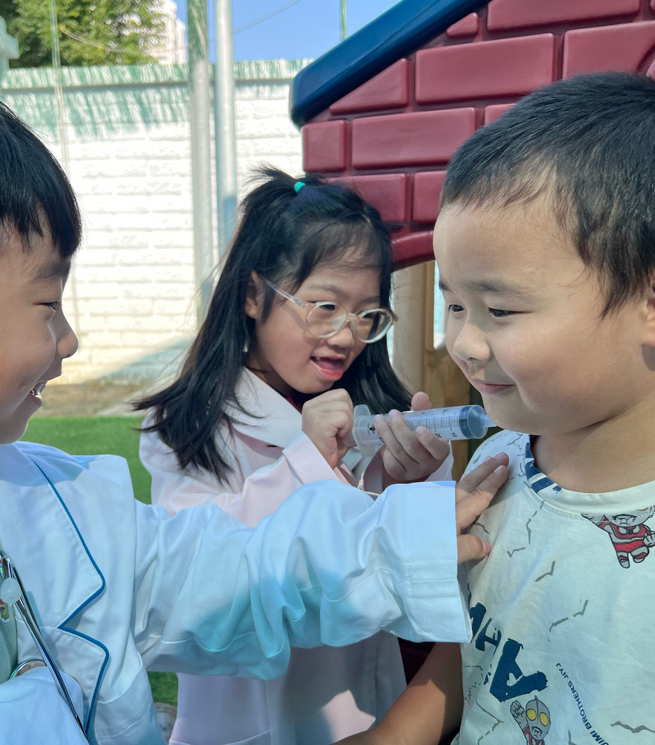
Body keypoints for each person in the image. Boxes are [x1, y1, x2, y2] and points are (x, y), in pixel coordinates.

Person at [0, 65, 508, 745]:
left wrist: (405, 533)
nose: (68, 340)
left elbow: (236, 570)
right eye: (47, 304)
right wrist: (42, 703)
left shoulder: (66, 505)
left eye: (365, 315)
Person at [339, 72, 655, 745]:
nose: (462, 343)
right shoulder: (504, 459)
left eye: (499, 309)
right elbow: (478, 650)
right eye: (454, 303)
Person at [137, 168, 455, 745]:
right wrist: (305, 462)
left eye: (367, 315)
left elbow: (423, 582)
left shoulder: (377, 411)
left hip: (371, 713)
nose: (346, 336)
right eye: (324, 306)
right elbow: (196, 570)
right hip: (248, 724)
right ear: (253, 295)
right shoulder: (185, 428)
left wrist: (408, 481)